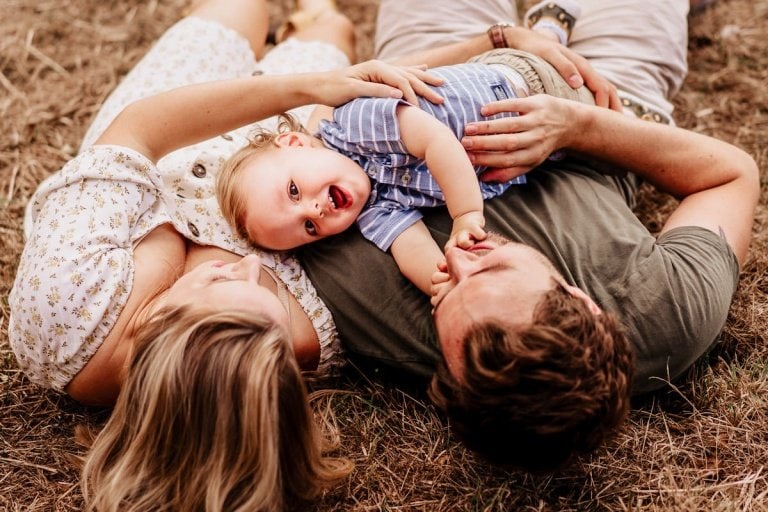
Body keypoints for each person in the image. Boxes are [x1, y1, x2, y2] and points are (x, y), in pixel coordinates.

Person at [8, 0, 442, 509]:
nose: (255, 265)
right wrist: (317, 90)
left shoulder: (66, 303)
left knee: (243, 9)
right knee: (333, 27)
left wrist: (310, 85)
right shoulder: (289, 345)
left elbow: (142, 130)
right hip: (285, 155)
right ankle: (308, 22)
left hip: (173, 132)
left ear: (161, 330)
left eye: (222, 281)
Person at [300, 0, 759, 471]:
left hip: (427, 86)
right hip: (610, 98)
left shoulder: (389, 315)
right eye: (489, 263)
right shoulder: (669, 315)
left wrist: (496, 39)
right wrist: (576, 126)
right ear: (582, 301)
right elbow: (731, 174)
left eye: (444, 295)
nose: (455, 259)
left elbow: (319, 134)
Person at [217, 47, 594, 295]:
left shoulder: (353, 125)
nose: (314, 211)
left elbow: (435, 141)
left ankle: (551, 32)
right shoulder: (373, 212)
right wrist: (441, 282)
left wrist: (466, 216)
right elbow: (409, 246)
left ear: (296, 144)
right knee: (585, 150)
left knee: (605, 100)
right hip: (542, 148)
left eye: (294, 192)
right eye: (309, 228)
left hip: (528, 86)